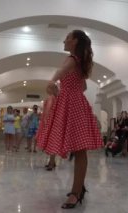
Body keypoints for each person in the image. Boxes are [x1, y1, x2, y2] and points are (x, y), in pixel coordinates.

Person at [37, 30, 103, 209]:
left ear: (75, 41)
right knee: (80, 149)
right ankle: (78, 188)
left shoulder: (73, 59)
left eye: (67, 37)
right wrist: (64, 92)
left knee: (79, 149)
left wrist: (52, 83)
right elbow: (82, 86)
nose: (64, 40)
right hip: (76, 104)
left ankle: (76, 193)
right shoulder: (80, 62)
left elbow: (61, 71)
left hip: (72, 105)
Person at [36, 83, 58, 170]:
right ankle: (52, 161)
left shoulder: (51, 98)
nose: (46, 90)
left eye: (47, 88)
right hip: (55, 122)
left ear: (50, 89)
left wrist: (45, 121)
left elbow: (48, 110)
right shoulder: (56, 98)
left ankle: (51, 163)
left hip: (50, 123)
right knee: (53, 142)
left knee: (51, 143)